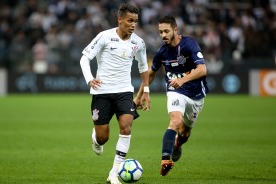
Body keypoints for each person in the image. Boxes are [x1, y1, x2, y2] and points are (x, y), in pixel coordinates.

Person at [80, 3, 150, 184]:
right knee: (103, 137)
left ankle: (114, 173)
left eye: (135, 21)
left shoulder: (139, 42)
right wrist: (89, 79)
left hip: (124, 91)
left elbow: (143, 67)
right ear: (120, 20)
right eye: (129, 21)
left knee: (126, 126)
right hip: (102, 92)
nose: (133, 25)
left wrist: (145, 91)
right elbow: (84, 58)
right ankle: (96, 139)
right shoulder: (104, 37)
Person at [134, 15, 209, 176]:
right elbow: (150, 75)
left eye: (166, 31)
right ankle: (165, 160)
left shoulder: (189, 44)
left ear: (175, 30)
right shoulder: (162, 53)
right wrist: (139, 95)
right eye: (160, 32)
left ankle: (177, 145)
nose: (163, 35)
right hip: (176, 92)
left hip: (196, 95)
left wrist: (183, 79)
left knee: (185, 133)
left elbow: (202, 69)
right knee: (175, 122)